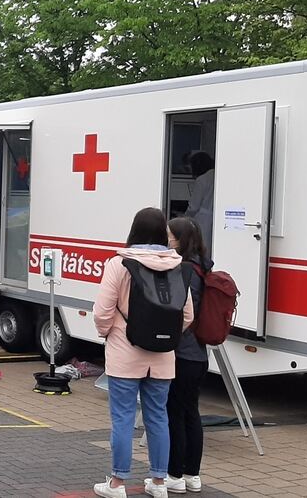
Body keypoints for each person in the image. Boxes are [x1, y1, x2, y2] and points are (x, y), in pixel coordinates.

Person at [92, 207, 194, 498]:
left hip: (125, 354)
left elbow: (102, 312)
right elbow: (187, 315)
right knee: (158, 418)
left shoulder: (119, 264)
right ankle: (159, 482)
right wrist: (165, 336)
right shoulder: (177, 266)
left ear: (134, 230)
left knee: (123, 419)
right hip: (162, 358)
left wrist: (109, 333)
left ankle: (117, 484)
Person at [165, 217, 211, 494]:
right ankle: (192, 474)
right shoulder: (204, 266)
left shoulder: (185, 270)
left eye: (171, 236)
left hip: (183, 352)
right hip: (199, 355)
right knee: (191, 413)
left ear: (181, 239)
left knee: (176, 414)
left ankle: (175, 474)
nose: (168, 240)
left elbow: (183, 311)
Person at [185, 151, 215, 252]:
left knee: (202, 247)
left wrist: (184, 218)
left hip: (202, 220)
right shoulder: (217, 175)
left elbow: (194, 207)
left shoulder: (201, 180)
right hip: (215, 217)